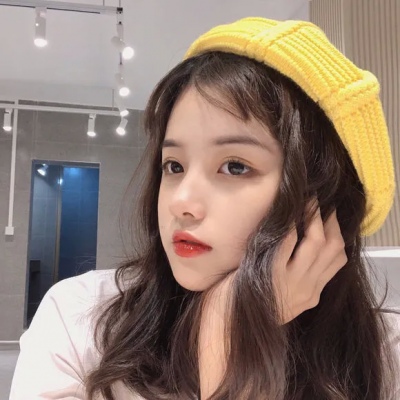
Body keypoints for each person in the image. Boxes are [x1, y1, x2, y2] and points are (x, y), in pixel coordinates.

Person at [9, 17, 400, 400]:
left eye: (235, 167)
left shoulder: (385, 355)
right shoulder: (80, 319)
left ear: (324, 202)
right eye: (174, 166)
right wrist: (229, 340)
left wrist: (236, 326)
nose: (181, 202)